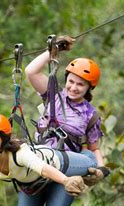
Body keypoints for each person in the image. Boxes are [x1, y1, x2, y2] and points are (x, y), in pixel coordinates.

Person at [25, 35, 110, 186]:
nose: (74, 87)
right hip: (40, 162)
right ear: (66, 80)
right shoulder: (53, 95)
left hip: (67, 166)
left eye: (80, 84)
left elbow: (93, 149)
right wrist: (54, 50)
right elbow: (31, 71)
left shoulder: (90, 114)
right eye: (71, 81)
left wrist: (101, 169)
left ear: (89, 87)